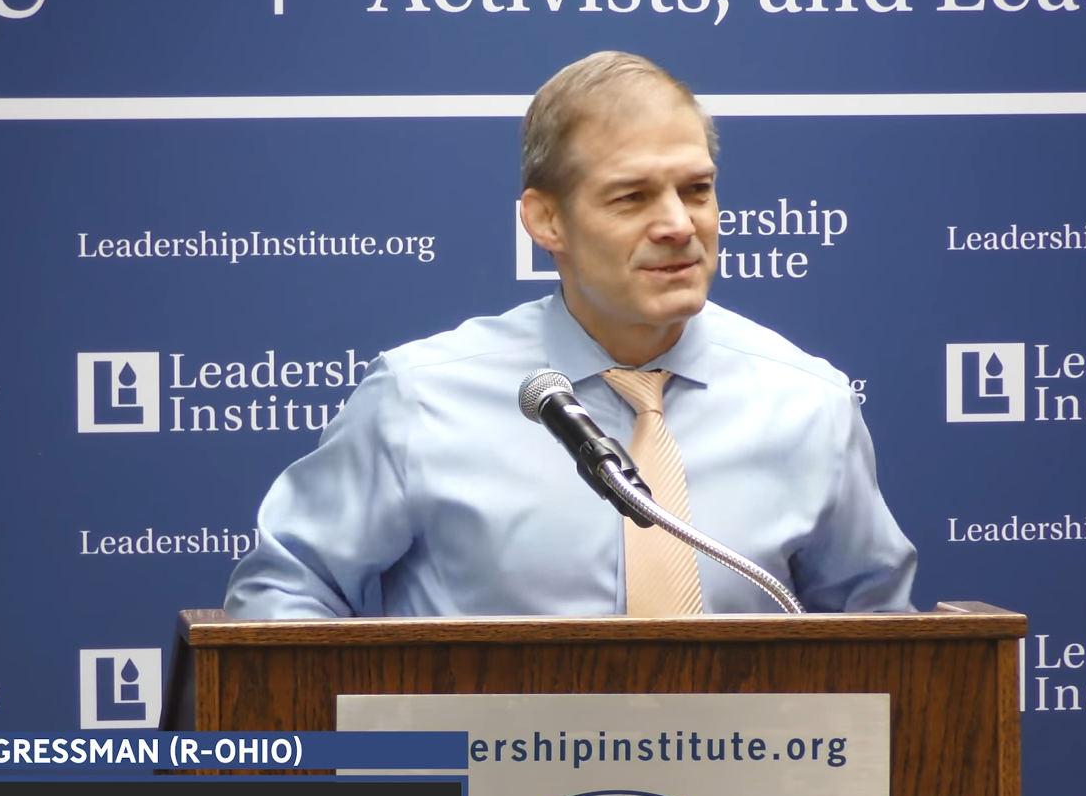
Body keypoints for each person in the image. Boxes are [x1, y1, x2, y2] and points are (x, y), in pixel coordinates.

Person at [224, 51, 915, 618]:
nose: (679, 223)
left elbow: (889, 644)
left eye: (697, 189)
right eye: (632, 196)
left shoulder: (807, 403)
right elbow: (282, 596)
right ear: (545, 221)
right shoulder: (420, 398)